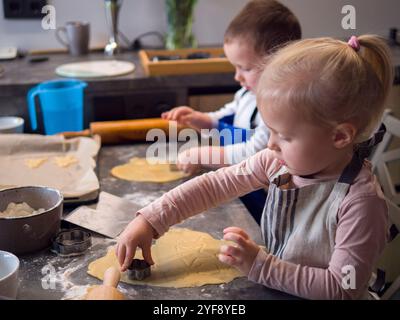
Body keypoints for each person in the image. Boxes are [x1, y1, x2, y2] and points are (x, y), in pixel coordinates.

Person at [116, 35, 393, 299]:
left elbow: (340, 289)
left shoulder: (360, 203)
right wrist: (151, 220)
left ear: (340, 136)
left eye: (284, 136)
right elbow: (214, 185)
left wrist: (260, 265)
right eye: (268, 130)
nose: (270, 143)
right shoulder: (277, 163)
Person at [162, 0, 301, 223]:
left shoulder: (280, 111)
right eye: (235, 67)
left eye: (245, 68)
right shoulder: (247, 93)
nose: (237, 77)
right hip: (241, 188)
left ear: (281, 62)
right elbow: (228, 114)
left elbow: (253, 155)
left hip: (265, 201)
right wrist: (203, 119)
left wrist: (202, 155)